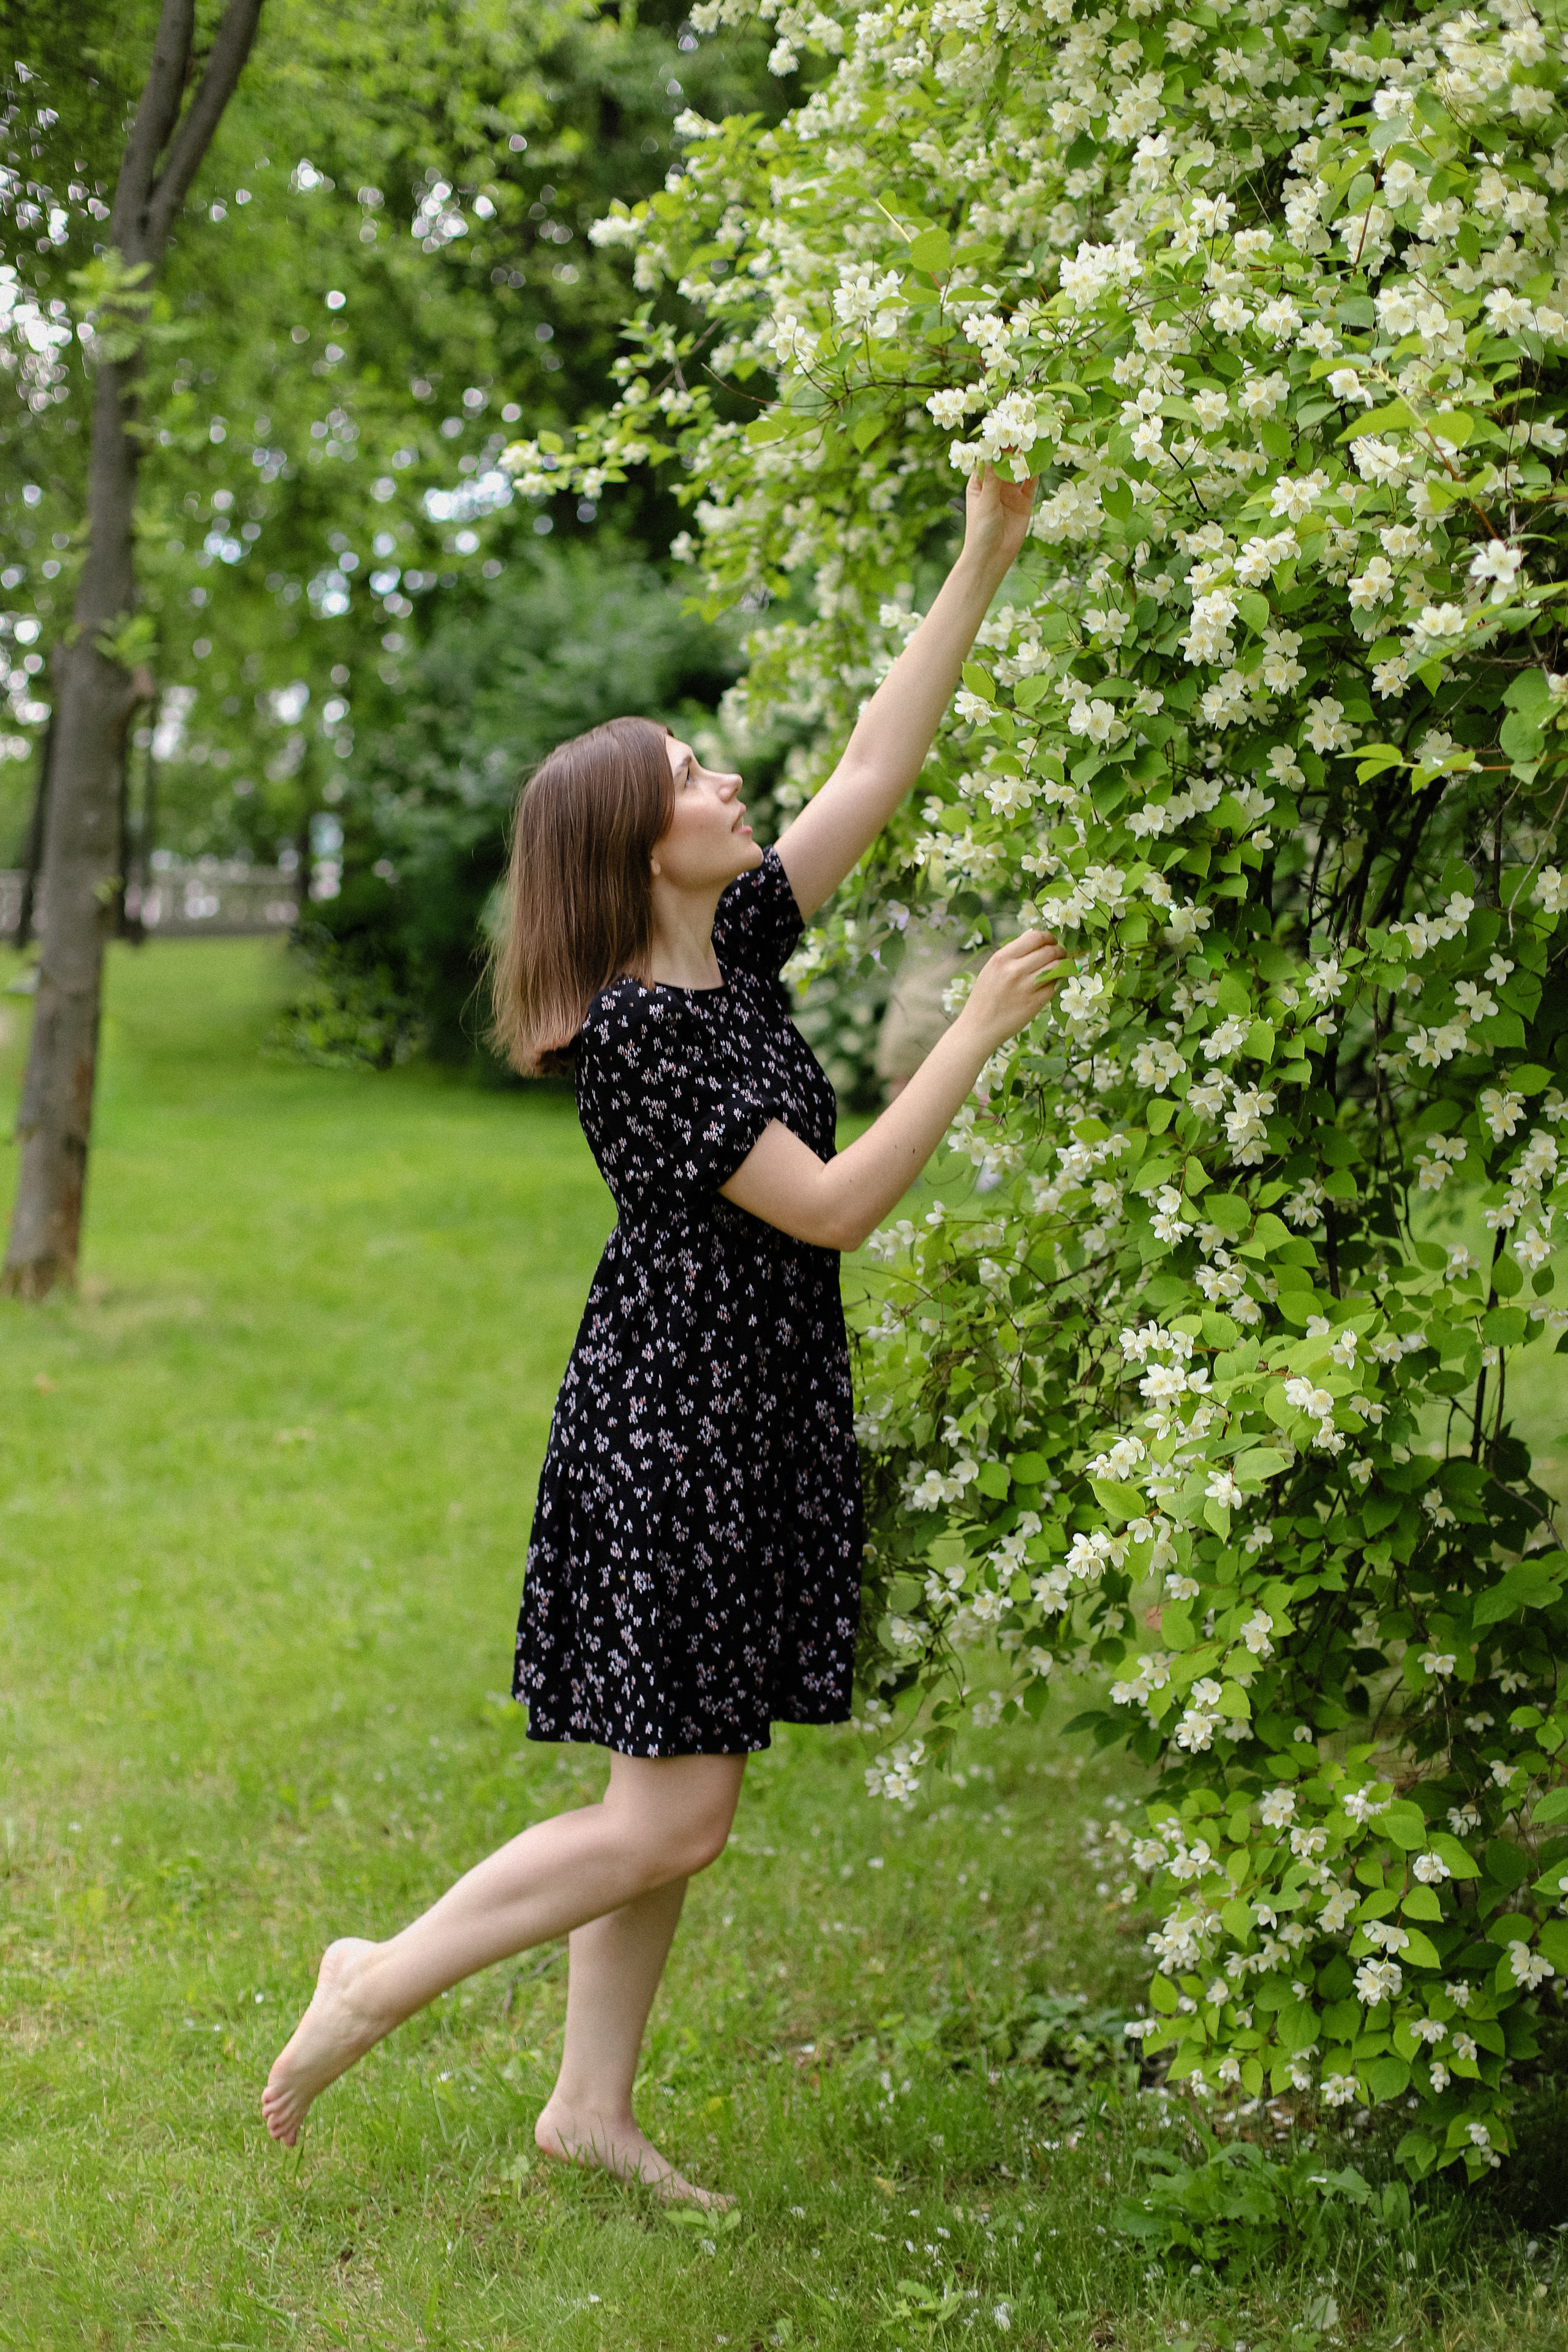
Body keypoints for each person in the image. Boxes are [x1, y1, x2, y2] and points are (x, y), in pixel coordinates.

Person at [261, 462, 1065, 2199]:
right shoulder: (638, 1037)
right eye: (692, 774)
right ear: (634, 846)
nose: (726, 779)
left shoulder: (738, 955)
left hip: (742, 1412)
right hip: (679, 1429)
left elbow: (872, 761)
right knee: (672, 1814)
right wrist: (976, 1028)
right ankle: (374, 1978)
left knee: (670, 1795)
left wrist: (985, 542)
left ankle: (589, 2108)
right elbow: (836, 1207)